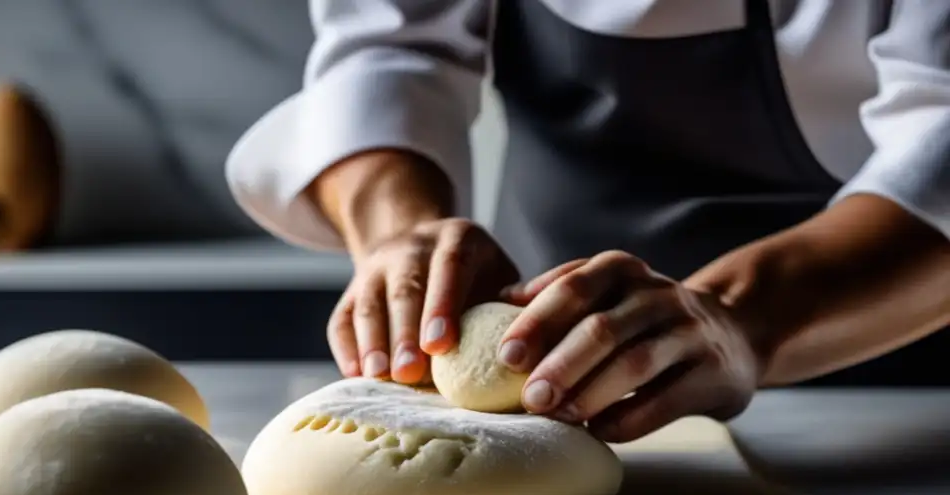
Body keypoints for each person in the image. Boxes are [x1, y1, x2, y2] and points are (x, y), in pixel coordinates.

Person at [226, 0, 950, 442]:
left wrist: (738, 316)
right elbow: (388, 49)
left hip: (902, 377)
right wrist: (399, 233)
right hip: (557, 387)